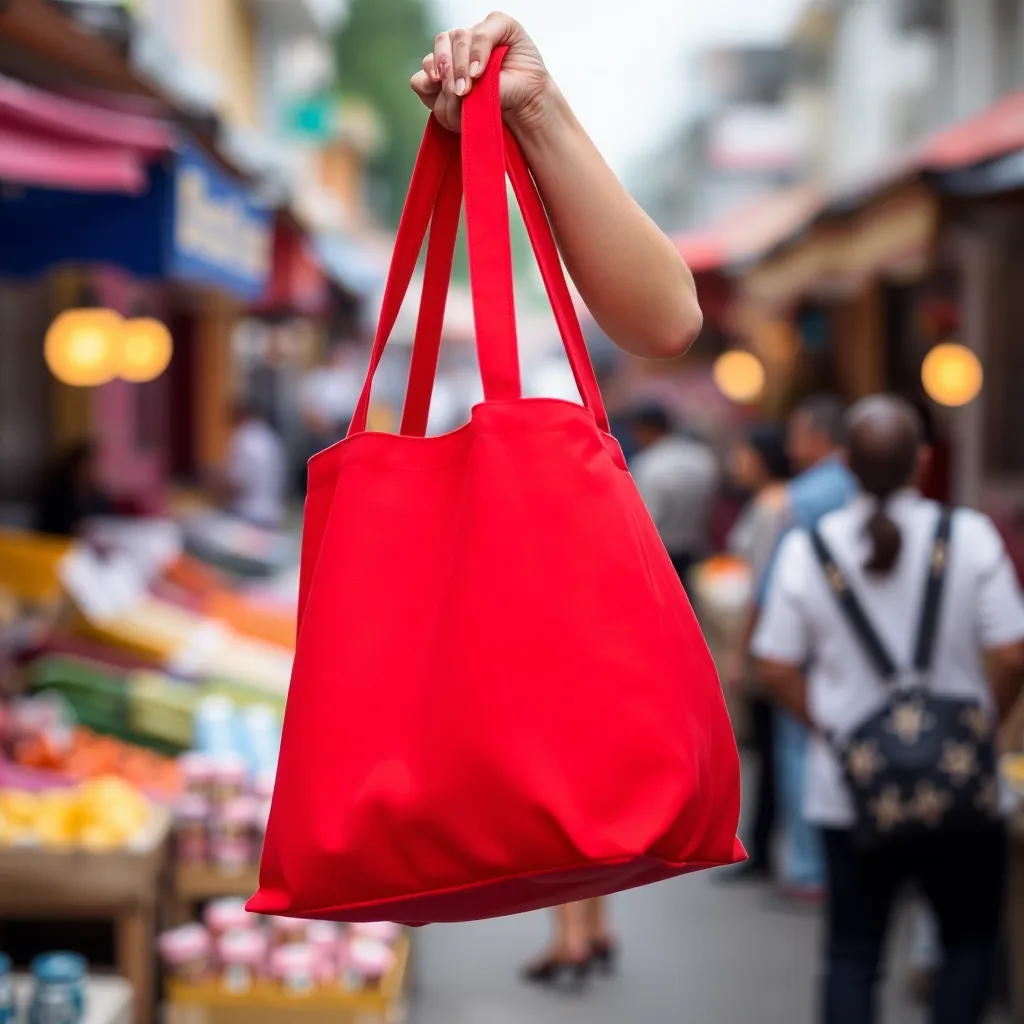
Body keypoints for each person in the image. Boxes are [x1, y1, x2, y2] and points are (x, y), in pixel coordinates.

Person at [411, 15, 704, 989]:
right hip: (562, 609)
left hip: (519, 612)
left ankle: (576, 932)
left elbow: (666, 317)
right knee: (571, 765)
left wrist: (534, 115)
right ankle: (582, 928)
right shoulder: (571, 468)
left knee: (553, 765)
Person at [753, 395, 1024, 1024]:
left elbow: (774, 665)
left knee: (853, 953)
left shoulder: (807, 549)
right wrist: (979, 723)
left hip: (849, 789)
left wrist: (831, 728)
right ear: (923, 462)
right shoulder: (971, 537)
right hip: (962, 784)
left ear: (845, 465)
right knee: (968, 944)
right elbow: (1011, 654)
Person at [759, 394, 856, 904]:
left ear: (821, 437)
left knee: (800, 747)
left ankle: (808, 865)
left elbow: (774, 581)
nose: (792, 445)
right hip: (859, 642)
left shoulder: (802, 496)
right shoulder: (861, 488)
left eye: (798, 433)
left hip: (807, 634)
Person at [720, 423, 792, 880]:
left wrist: (739, 651)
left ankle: (764, 848)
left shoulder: (771, 506)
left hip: (766, 638)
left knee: (768, 746)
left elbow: (760, 589)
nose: (736, 461)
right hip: (775, 635)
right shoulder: (778, 501)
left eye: (743, 451)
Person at [627, 403, 719, 585]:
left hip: (659, 557)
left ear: (645, 429)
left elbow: (645, 521)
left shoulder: (647, 464)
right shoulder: (702, 456)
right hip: (695, 549)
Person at [224, 399, 288, 530]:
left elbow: (237, 481)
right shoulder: (270, 438)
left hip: (248, 512)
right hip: (272, 511)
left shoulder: (243, 439)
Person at [34, 441, 114, 537]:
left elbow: (108, 522)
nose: (98, 469)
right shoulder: (58, 495)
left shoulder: (98, 497)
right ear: (78, 466)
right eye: (92, 464)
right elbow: (51, 529)